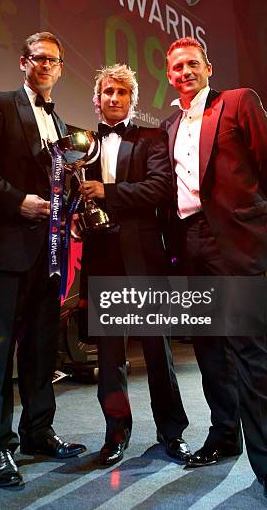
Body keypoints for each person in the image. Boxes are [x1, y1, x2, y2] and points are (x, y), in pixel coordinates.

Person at [161, 37, 267, 505]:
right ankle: (223, 436)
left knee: (249, 353)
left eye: (192, 64)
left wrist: (264, 220)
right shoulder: (169, 124)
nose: (184, 72)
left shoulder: (237, 101)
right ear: (168, 75)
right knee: (209, 350)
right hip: (191, 243)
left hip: (235, 241)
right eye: (176, 67)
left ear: (208, 67)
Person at [0, 32, 86, 488]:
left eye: (55, 59)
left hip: (47, 256)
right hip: (4, 251)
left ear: (62, 68)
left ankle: (38, 432)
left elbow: (58, 186)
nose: (47, 65)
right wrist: (17, 201)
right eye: (39, 58)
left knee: (41, 349)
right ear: (23, 62)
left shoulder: (63, 125)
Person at [77, 64, 190, 467]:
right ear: (97, 98)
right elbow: (77, 197)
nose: (113, 98)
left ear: (132, 99)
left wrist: (106, 192)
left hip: (143, 258)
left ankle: (172, 433)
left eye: (121, 93)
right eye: (107, 92)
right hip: (103, 259)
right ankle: (116, 434)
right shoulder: (83, 145)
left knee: (158, 350)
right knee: (110, 358)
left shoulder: (150, 139)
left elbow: (159, 189)